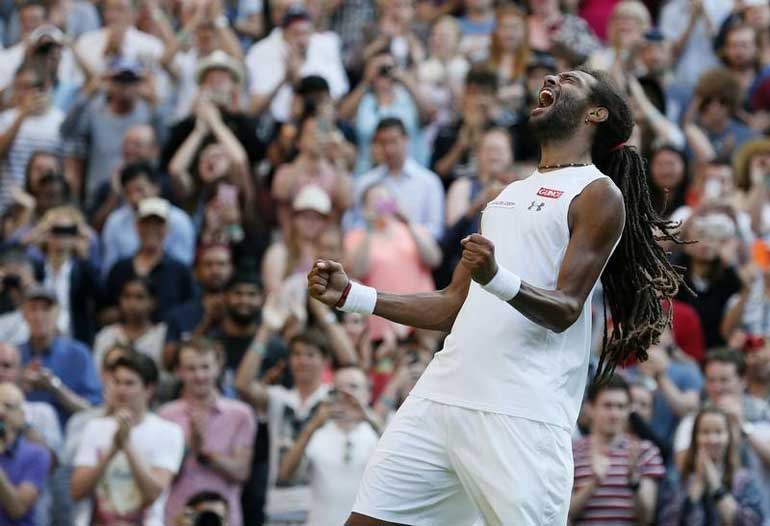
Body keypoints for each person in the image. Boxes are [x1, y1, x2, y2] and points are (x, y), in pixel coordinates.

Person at [307, 68, 684, 525]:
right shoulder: (507, 194)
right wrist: (353, 295)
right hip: (442, 396)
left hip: (520, 413)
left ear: (596, 113)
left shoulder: (597, 193)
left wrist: (496, 276)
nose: (550, 77)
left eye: (570, 78)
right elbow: (451, 305)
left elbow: (566, 308)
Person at [70, 352, 184, 526]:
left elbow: (153, 493)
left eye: (129, 383)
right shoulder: (95, 427)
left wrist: (127, 445)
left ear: (149, 389)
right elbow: (77, 491)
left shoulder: (169, 432)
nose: (121, 390)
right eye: (117, 382)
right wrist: (112, 451)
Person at [159, 337, 256, 526]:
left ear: (218, 367)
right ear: (179, 371)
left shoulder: (241, 414)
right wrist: (190, 446)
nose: (199, 376)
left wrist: (205, 453)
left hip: (226, 519)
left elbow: (241, 472)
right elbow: (161, 477)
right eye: (191, 368)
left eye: (205, 367)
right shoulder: (166, 416)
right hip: (177, 518)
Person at [278, 366, 381, 526]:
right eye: (339, 388)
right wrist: (312, 427)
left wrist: (368, 417)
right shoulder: (317, 432)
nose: (346, 393)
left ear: (367, 394)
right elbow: (285, 475)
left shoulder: (378, 433)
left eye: (353, 387)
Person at [569, 375, 665, 525]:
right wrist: (594, 483)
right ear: (590, 408)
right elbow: (565, 514)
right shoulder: (571, 452)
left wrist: (634, 481)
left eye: (621, 407)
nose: (614, 414)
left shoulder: (645, 451)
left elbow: (646, 518)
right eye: (607, 406)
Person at [660, 406, 765, 525]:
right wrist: (697, 486)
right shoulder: (676, 480)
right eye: (705, 432)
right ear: (695, 438)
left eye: (718, 432)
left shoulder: (745, 480)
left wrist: (716, 486)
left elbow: (750, 522)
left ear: (728, 437)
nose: (712, 439)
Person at [348, 118, 445, 240]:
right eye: (382, 143)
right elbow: (355, 224)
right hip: (376, 252)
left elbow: (436, 230)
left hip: (417, 253)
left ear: (406, 140)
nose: (389, 149)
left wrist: (408, 230)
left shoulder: (429, 182)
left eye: (393, 141)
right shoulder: (365, 182)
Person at [103, 197, 195, 323]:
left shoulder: (179, 271)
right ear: (136, 226)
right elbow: (105, 310)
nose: (152, 229)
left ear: (167, 228)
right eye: (146, 223)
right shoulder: (120, 269)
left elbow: (189, 311)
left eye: (158, 224)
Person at [19, 285, 102, 425]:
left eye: (46, 309)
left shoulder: (78, 354)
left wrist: (55, 387)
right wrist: (19, 384)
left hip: (69, 436)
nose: (39, 316)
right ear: (23, 314)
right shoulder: (13, 355)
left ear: (57, 313)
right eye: (33, 308)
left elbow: (93, 410)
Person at [101, 161, 196, 276]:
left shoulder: (179, 221)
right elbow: (110, 268)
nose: (134, 198)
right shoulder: (115, 221)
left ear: (156, 187)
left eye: (139, 190)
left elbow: (183, 267)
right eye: (128, 192)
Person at [0, 382, 52, 526]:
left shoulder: (37, 454)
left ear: (22, 416)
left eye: (8, 406)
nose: (1, 412)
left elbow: (17, 509)